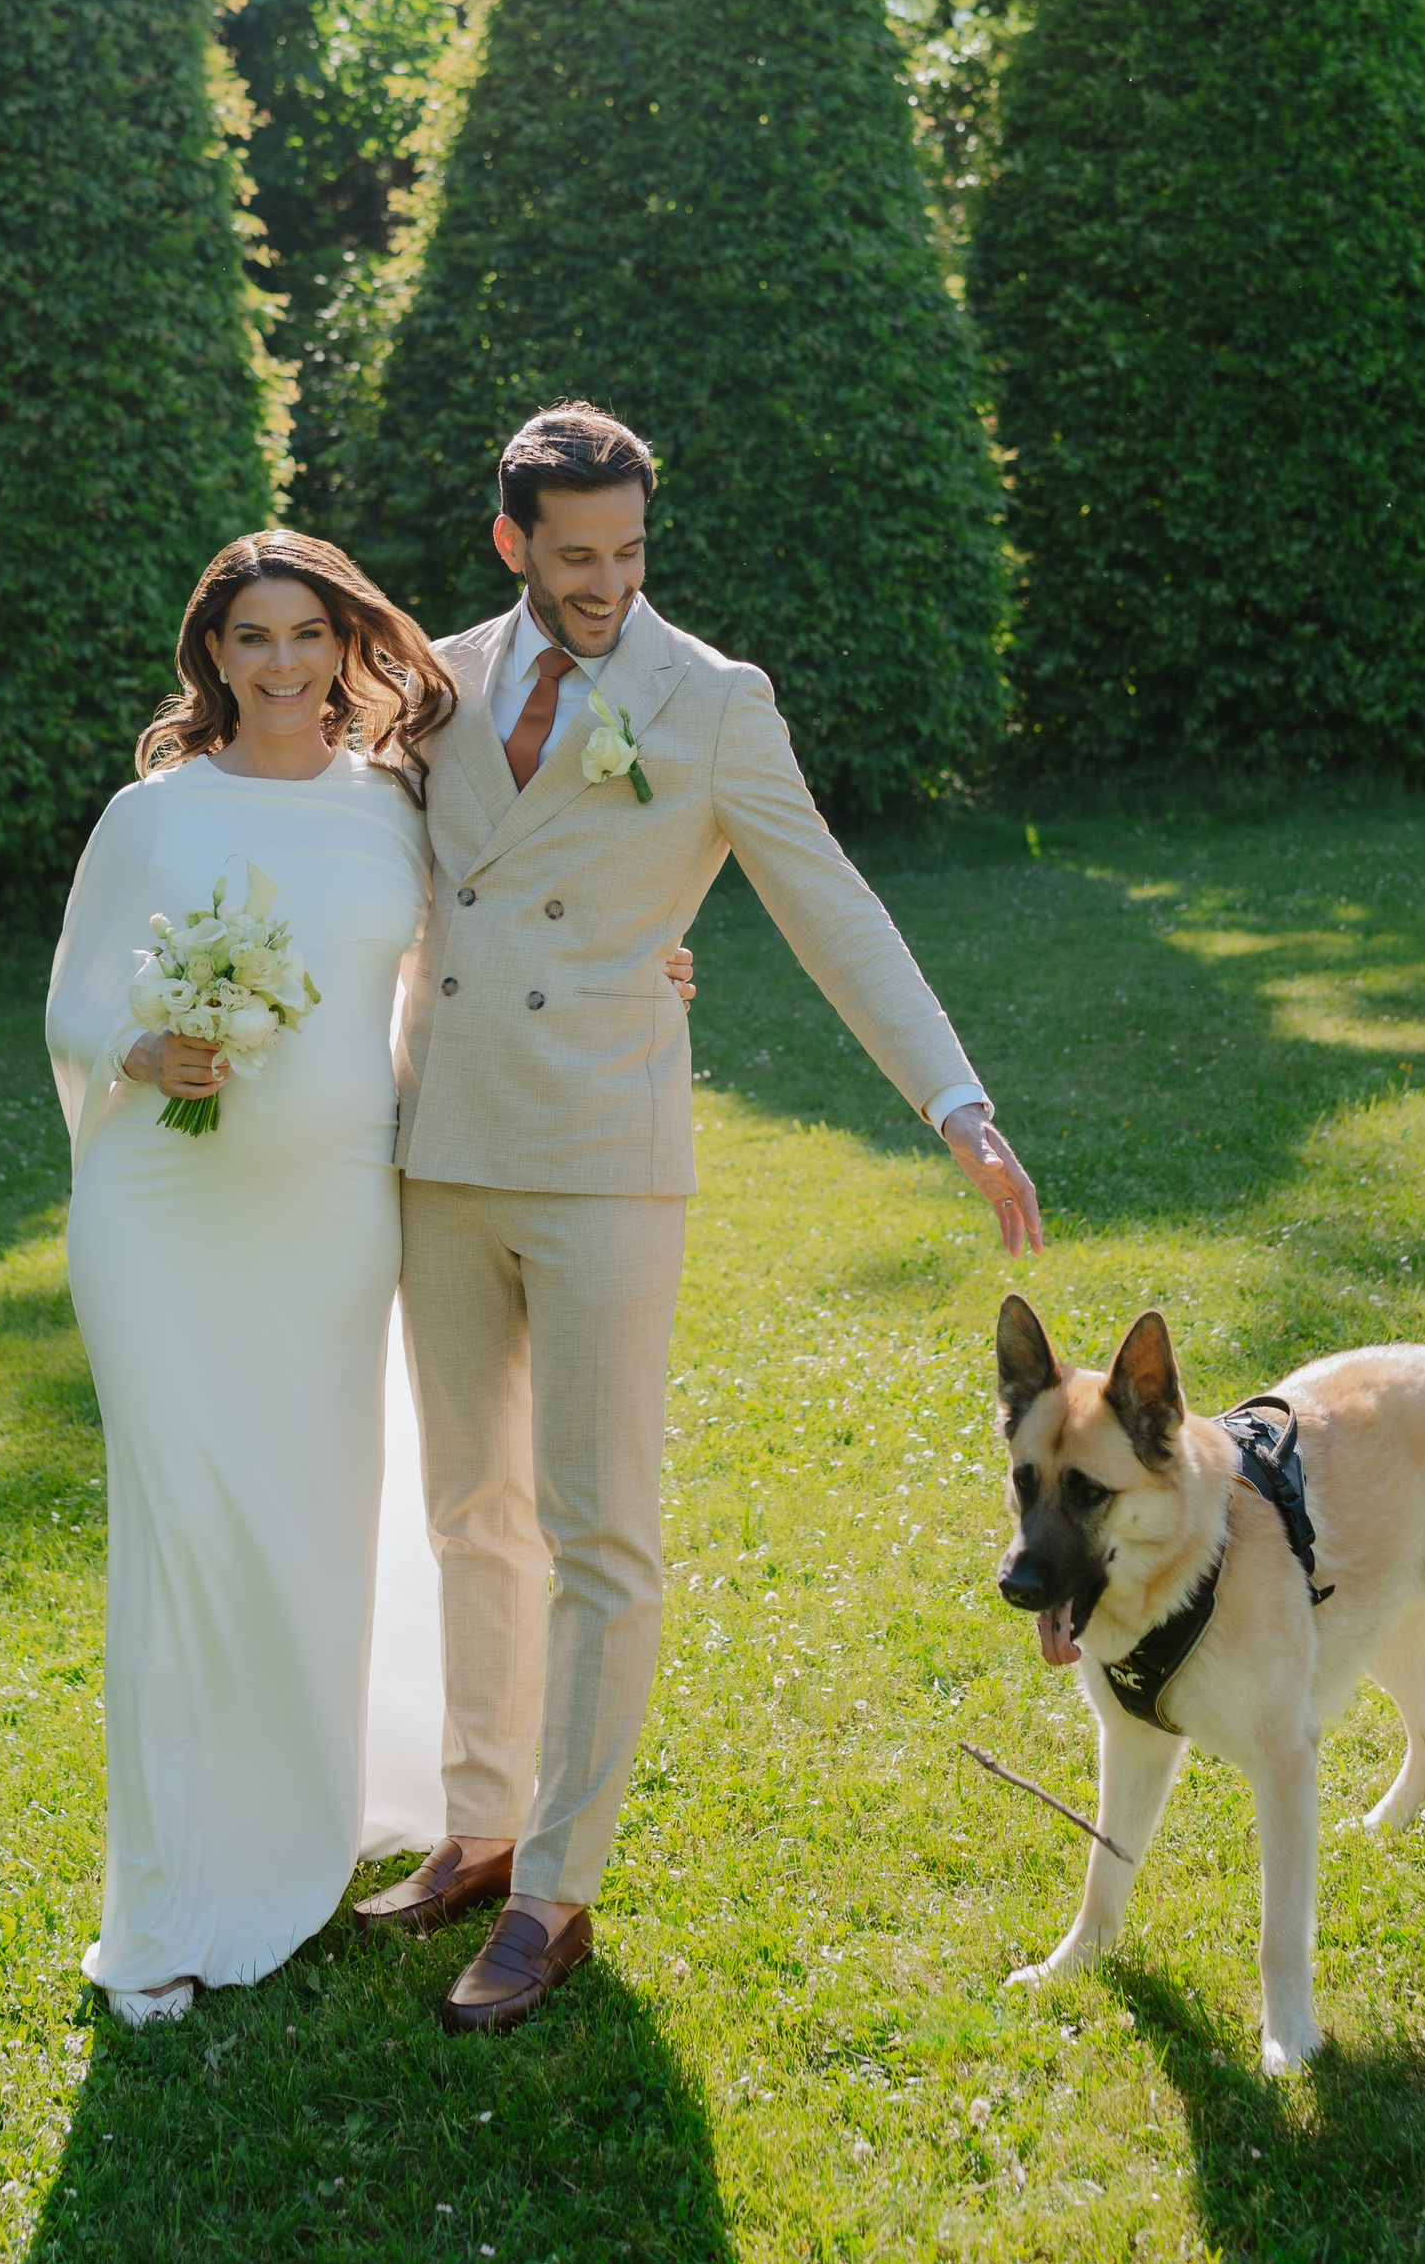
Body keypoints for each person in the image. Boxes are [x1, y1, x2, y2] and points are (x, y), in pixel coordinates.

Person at [364, 402, 1045, 2035]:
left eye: (631, 552)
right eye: (575, 556)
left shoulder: (715, 699)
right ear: (513, 542)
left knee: (599, 1531)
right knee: (470, 1509)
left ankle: (554, 1893)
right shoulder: (431, 682)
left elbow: (833, 909)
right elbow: (367, 877)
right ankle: (480, 1822)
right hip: (438, 1143)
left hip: (604, 1149)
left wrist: (956, 1102)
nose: (607, 584)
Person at [45, 523, 697, 2025]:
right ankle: (164, 1899)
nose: (281, 663)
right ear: (212, 657)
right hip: (160, 1216)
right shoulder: (148, 817)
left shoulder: (396, 804)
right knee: (179, 1536)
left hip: (336, 1220)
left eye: (306, 635)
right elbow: (73, 1000)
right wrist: (142, 1047)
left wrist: (641, 962)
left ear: (347, 648)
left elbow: (502, 931)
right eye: (251, 637)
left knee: (307, 1527)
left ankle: (292, 1838)